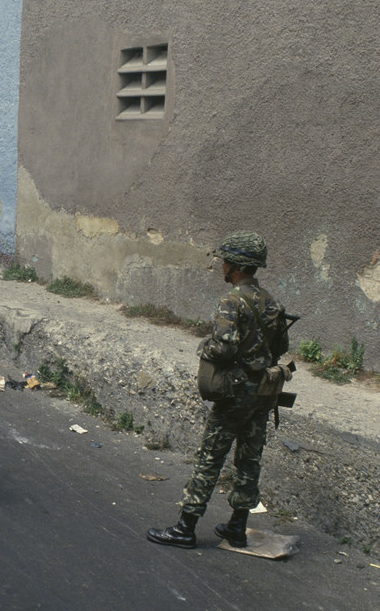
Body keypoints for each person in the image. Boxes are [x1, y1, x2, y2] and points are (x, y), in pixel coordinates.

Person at [147, 231, 288, 550]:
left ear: (236, 266)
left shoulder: (232, 301)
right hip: (263, 392)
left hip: (235, 392)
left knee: (210, 457)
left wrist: (204, 347)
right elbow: (280, 347)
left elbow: (224, 348)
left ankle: (185, 528)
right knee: (250, 458)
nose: (221, 266)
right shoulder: (272, 302)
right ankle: (238, 526)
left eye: (225, 261)